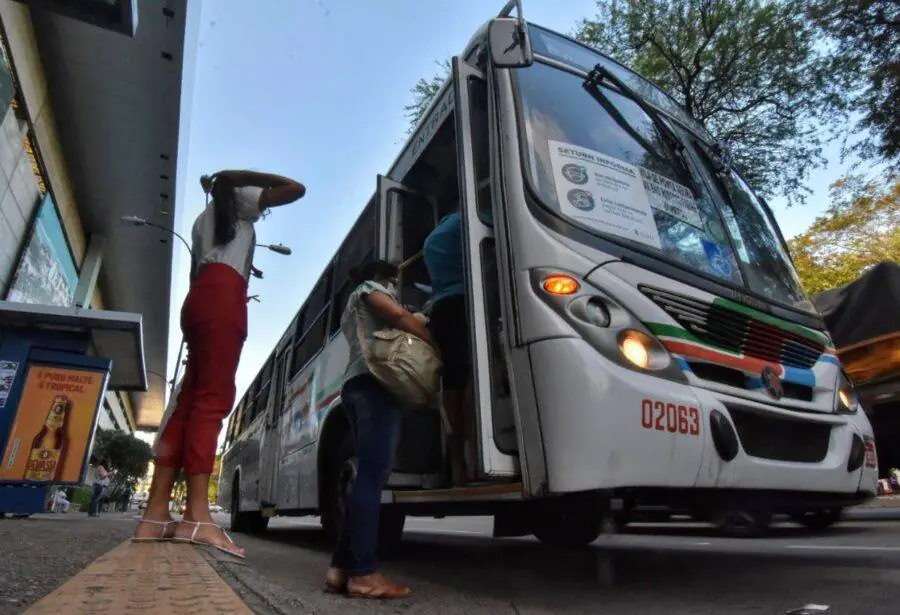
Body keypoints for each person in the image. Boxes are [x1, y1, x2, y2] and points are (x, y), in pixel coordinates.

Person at [134, 169, 305, 555]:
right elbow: (296, 189)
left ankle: (155, 514)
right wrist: (236, 175)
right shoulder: (240, 201)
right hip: (224, 298)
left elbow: (205, 264)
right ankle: (197, 517)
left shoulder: (202, 220)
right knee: (212, 402)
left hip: (197, 299)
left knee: (187, 402)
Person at [325, 260, 435, 599]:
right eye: (392, 279)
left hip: (356, 387)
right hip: (375, 386)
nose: (394, 285)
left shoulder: (351, 307)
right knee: (372, 478)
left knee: (365, 478)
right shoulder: (369, 291)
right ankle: (364, 574)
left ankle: (340, 569)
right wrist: (432, 340)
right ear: (381, 277)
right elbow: (399, 317)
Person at [422, 208, 472, 486]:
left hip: (442, 309)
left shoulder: (433, 239)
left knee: (452, 389)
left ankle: (457, 463)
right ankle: (474, 460)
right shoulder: (466, 220)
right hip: (463, 304)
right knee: (473, 384)